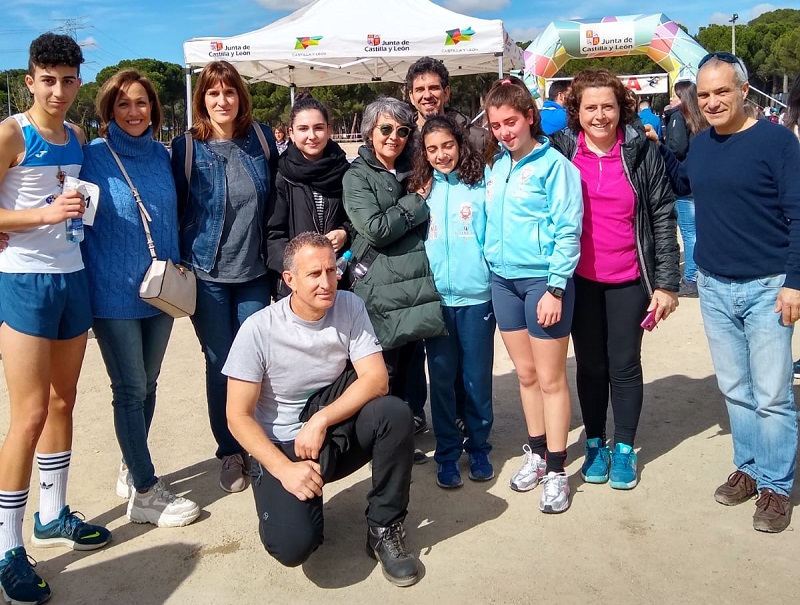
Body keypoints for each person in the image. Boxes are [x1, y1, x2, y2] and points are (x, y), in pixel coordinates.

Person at [655, 52, 800, 533]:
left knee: (773, 394)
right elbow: (685, 185)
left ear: (743, 90)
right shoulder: (701, 144)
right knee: (736, 389)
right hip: (715, 286)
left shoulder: (777, 142)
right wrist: (653, 146)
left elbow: (799, 216)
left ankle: (776, 488)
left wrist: (795, 283)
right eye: (705, 94)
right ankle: (750, 468)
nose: (713, 101)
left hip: (767, 287)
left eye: (722, 91)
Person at [224, 232, 419, 586]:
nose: (326, 282)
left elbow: (376, 379)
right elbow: (237, 416)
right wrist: (284, 469)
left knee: (394, 413)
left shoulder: (349, 306)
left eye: (331, 270)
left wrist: (320, 419)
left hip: (329, 427)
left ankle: (384, 527)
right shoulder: (259, 329)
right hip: (284, 446)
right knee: (294, 546)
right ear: (289, 280)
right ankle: (279, 498)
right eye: (314, 274)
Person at [0, 32, 111, 605]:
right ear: (31, 81)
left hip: (73, 277)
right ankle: (8, 549)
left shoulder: (76, 135)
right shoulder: (11, 133)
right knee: (29, 413)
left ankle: (52, 514)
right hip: (23, 281)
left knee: (64, 402)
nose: (59, 90)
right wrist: (39, 213)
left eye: (69, 80)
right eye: (49, 80)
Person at [79, 69, 200, 528]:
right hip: (111, 295)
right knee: (129, 388)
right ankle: (147, 492)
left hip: (160, 291)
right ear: (109, 110)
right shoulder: (90, 157)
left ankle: (132, 466)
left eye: (142, 103)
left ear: (154, 108)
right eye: (123, 104)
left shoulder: (162, 155)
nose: (134, 112)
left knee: (148, 384)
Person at [550, 69, 679, 492]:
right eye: (591, 107)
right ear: (577, 111)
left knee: (624, 366)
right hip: (580, 281)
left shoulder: (642, 153)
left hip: (628, 279)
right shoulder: (563, 151)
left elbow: (662, 215)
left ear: (620, 107)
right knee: (590, 367)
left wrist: (667, 283)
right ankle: (595, 443)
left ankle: (624, 447)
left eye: (608, 106)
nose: (600, 115)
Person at [171, 60, 279, 494]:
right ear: (202, 100)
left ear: (241, 97)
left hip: (254, 271)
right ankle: (230, 451)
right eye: (213, 94)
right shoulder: (187, 148)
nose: (222, 101)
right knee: (220, 365)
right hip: (207, 273)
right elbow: (172, 208)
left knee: (255, 364)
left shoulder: (262, 140)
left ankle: (257, 445)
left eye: (229, 92)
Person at [483, 76, 583, 513]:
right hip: (503, 281)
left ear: (529, 118)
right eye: (496, 125)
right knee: (525, 375)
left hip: (544, 282)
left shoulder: (555, 166)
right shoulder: (496, 166)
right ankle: (538, 453)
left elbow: (568, 229)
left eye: (511, 122)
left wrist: (556, 287)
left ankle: (559, 470)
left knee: (550, 378)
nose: (504, 132)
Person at [408, 115, 495, 488]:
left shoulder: (481, 184)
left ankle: (478, 448)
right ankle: (446, 453)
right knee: (441, 380)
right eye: (432, 149)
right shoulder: (420, 189)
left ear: (460, 144)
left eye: (447, 146)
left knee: (475, 378)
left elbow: (492, 236)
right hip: (437, 301)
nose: (441, 155)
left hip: (477, 299)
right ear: (424, 154)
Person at [342, 97, 445, 403]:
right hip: (381, 291)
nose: (394, 137)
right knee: (381, 373)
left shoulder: (416, 167)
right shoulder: (357, 176)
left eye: (402, 131)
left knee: (412, 368)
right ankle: (383, 441)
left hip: (417, 288)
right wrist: (417, 199)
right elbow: (375, 230)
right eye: (385, 128)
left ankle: (406, 432)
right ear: (369, 132)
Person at [265, 95, 351, 299]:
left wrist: (345, 232)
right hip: (296, 288)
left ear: (329, 130)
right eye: (303, 129)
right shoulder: (280, 175)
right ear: (291, 133)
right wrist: (300, 269)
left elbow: (359, 221)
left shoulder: (346, 172)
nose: (312, 135)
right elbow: (272, 236)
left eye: (319, 128)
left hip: (339, 282)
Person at [662, 80, 709, 298]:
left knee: (689, 233)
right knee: (697, 231)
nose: (671, 100)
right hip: (698, 183)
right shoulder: (699, 119)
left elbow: (677, 147)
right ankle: (698, 273)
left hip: (682, 184)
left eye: (674, 96)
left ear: (681, 98)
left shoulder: (678, 117)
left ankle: (691, 277)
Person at [405, 56, 487, 157]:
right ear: (411, 97)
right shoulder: (402, 139)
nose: (427, 96)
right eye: (420, 89)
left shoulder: (476, 138)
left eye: (433, 88)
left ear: (446, 93)